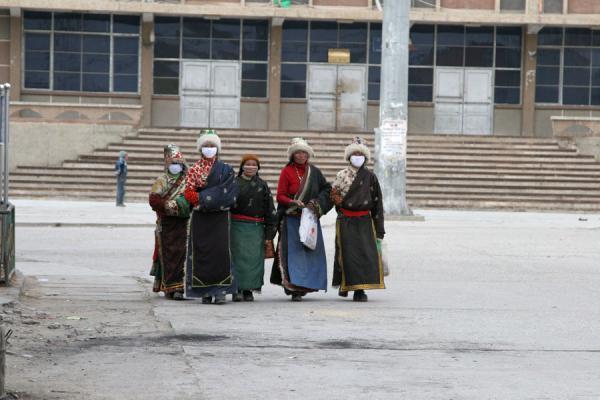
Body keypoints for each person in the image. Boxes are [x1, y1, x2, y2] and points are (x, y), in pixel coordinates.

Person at [271, 137, 332, 301]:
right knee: (294, 255)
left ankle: (307, 284)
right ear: (292, 155)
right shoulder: (287, 171)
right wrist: (291, 201)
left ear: (308, 154)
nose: (301, 155)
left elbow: (327, 190)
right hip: (291, 219)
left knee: (309, 253)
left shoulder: (315, 172)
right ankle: (294, 287)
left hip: (310, 219)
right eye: (298, 152)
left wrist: (315, 203)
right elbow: (280, 195)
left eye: (304, 152)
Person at [184, 129, 239, 305]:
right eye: (206, 145)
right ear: (200, 148)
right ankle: (204, 290)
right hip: (200, 217)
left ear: (218, 148)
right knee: (201, 252)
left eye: (212, 146)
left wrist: (203, 198)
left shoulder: (226, 170)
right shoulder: (193, 170)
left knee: (220, 253)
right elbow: (188, 192)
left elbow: (229, 194)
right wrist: (199, 200)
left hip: (220, 218)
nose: (209, 148)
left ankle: (220, 290)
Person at [330, 137, 385, 302]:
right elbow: (334, 193)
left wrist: (379, 229)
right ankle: (347, 286)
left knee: (364, 255)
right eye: (354, 153)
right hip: (346, 220)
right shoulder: (341, 175)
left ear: (366, 157)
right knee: (348, 256)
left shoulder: (371, 177)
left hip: (364, 222)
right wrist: (335, 198)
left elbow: (377, 203)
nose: (357, 156)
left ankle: (360, 290)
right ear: (348, 157)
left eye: (361, 154)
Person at [229, 154, 277, 302]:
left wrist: (269, 233)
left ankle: (249, 289)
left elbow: (270, 209)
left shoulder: (262, 185)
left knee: (254, 260)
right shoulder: (233, 183)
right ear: (242, 166)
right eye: (247, 164)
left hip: (256, 227)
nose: (250, 167)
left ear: (258, 168)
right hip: (236, 226)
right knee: (237, 259)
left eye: (254, 164)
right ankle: (236, 288)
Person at [149, 144, 191, 301]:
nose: (176, 166)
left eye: (178, 163)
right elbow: (154, 200)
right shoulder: (161, 180)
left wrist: (184, 206)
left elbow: (192, 199)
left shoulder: (188, 181)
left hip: (185, 224)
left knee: (183, 254)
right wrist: (172, 206)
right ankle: (169, 286)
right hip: (166, 224)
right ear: (168, 164)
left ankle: (180, 287)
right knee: (167, 255)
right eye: (173, 163)